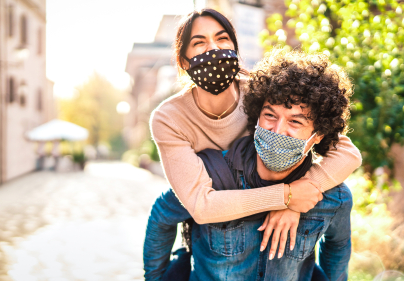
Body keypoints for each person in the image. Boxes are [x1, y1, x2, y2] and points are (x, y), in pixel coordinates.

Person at [145, 8, 361, 280]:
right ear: (184, 60)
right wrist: (287, 197)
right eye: (199, 42)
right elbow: (196, 206)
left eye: (222, 38)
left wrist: (306, 191)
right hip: (222, 192)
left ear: (235, 48)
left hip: (277, 176)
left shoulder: (266, 94)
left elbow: (347, 151)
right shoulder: (170, 118)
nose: (213, 48)